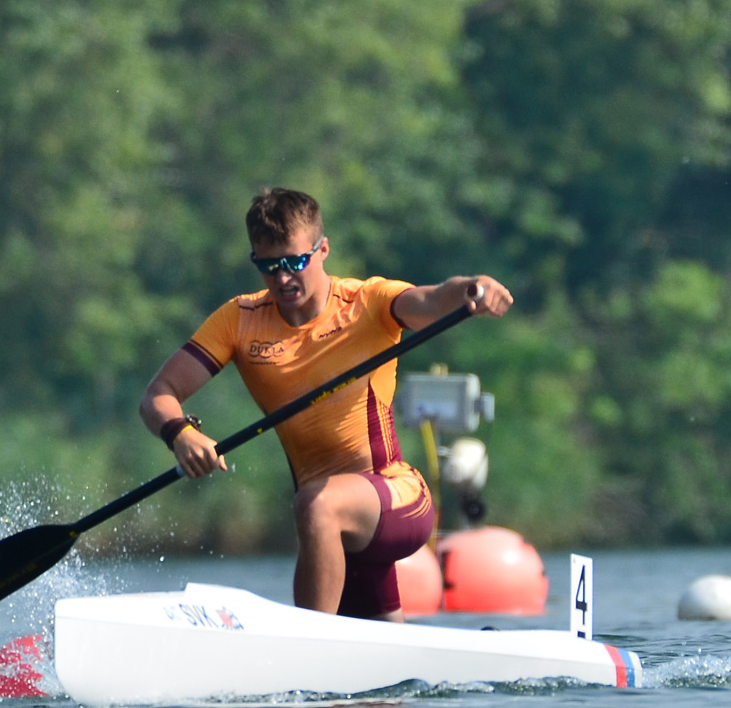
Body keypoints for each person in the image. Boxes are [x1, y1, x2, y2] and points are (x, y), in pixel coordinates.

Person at [140, 188, 513, 622]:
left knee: (317, 505)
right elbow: (158, 393)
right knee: (381, 674)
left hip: (397, 498)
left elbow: (433, 300)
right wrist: (180, 432)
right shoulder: (239, 320)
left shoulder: (367, 301)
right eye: (268, 266)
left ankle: (306, 649)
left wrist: (473, 288)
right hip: (331, 528)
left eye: (294, 262)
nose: (282, 279)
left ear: (323, 249)